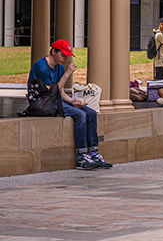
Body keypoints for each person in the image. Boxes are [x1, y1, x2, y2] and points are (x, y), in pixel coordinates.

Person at [30, 39, 110, 170]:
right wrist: (67, 74)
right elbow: (51, 92)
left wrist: (73, 101)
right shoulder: (41, 67)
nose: (65, 59)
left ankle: (93, 153)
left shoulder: (60, 68)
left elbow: (60, 92)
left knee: (90, 112)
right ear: (53, 51)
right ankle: (81, 156)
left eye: (67, 56)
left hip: (54, 100)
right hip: (42, 103)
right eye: (63, 55)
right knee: (80, 115)